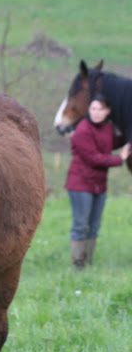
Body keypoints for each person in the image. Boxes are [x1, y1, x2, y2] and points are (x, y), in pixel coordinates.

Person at [65, 94, 131, 268]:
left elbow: (111, 142)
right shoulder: (83, 129)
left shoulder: (107, 128)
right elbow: (94, 158)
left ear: (107, 111)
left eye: (100, 109)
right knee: (81, 224)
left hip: (99, 185)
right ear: (89, 110)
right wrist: (121, 158)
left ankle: (88, 261)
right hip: (80, 185)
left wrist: (127, 137)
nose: (96, 112)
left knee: (94, 225)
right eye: (93, 108)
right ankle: (78, 264)